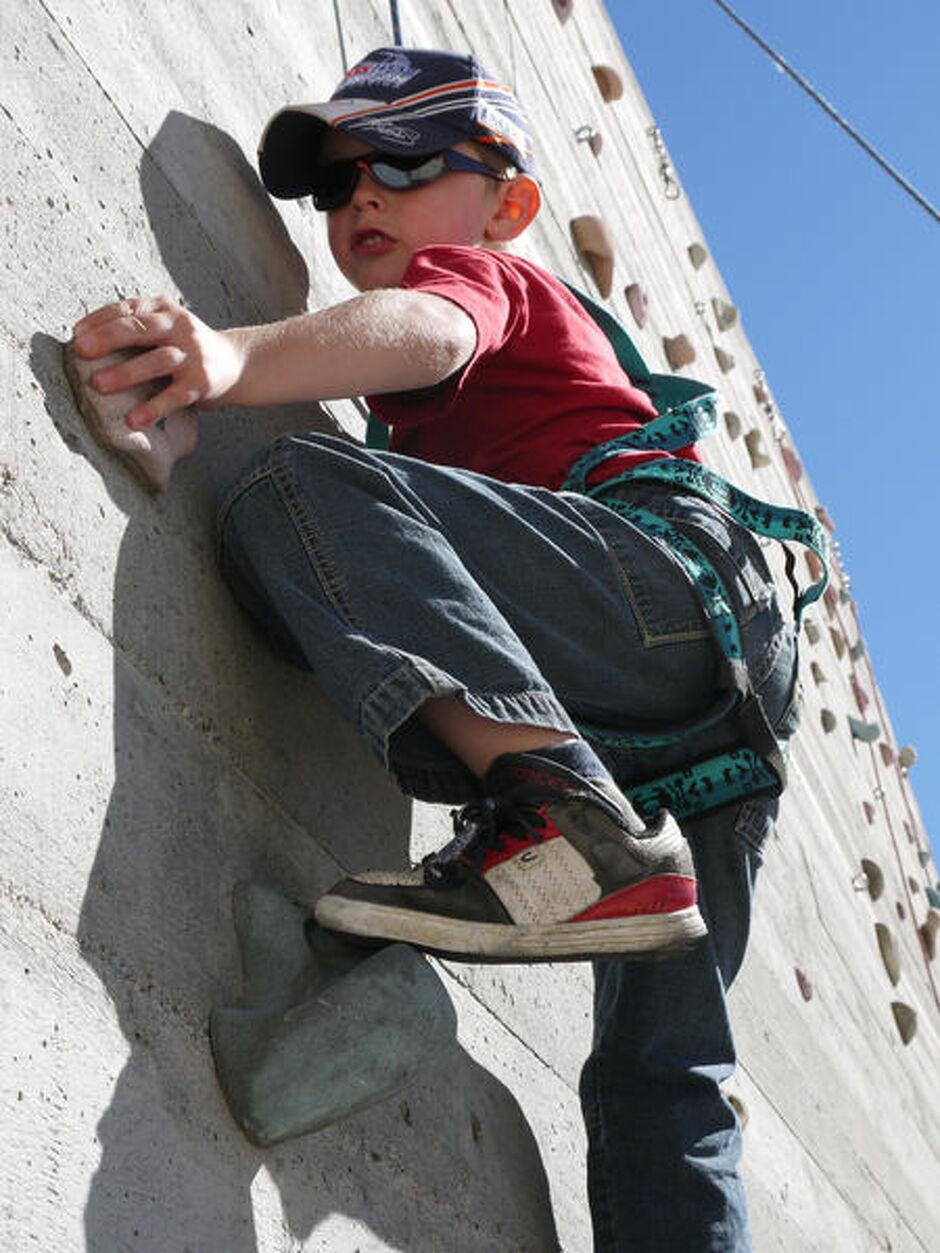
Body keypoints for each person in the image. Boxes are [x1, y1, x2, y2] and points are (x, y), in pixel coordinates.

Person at [72, 46, 803, 1252]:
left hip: (665, 586)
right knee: (662, 1074)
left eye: (407, 164)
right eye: (340, 179)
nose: (365, 195)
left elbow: (427, 327)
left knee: (299, 497)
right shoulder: (441, 413)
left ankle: (557, 809)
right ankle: (582, 831)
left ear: (509, 203)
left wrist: (234, 359)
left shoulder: (492, 284)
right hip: (702, 746)